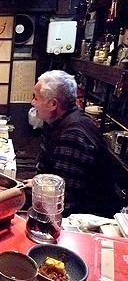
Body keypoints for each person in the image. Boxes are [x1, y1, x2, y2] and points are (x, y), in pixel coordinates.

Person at [28, 70, 125, 217]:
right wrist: (37, 185)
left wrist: (37, 196)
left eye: (36, 97)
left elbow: (65, 199)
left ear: (53, 104)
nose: (32, 102)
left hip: (89, 217)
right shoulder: (55, 121)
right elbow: (47, 172)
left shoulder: (73, 134)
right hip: (69, 205)